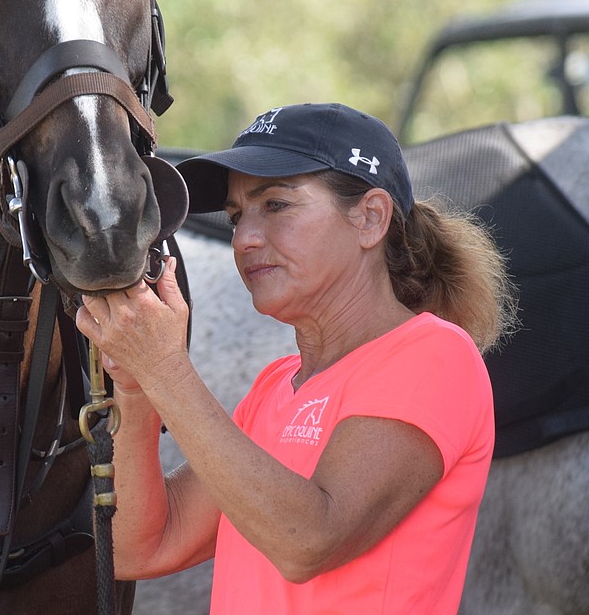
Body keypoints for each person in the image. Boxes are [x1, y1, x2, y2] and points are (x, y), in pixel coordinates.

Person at [75, 102, 516, 615]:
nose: (245, 238)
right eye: (238, 216)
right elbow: (137, 547)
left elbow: (308, 541)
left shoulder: (435, 355)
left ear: (370, 218)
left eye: (277, 205)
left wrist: (165, 370)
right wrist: (136, 387)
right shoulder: (278, 384)